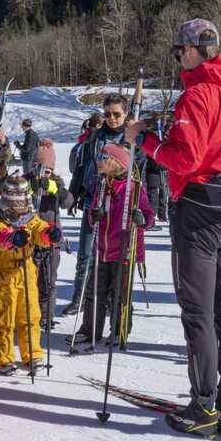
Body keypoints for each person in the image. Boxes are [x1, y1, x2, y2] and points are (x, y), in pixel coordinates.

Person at [125, 18, 221, 436]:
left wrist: (145, 141)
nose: (178, 58)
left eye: (178, 51)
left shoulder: (198, 95)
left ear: (191, 50)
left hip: (200, 207)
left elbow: (184, 159)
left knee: (198, 310)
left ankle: (203, 405)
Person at [70, 143, 154, 352]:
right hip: (102, 250)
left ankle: (119, 330)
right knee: (94, 292)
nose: (98, 161)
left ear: (115, 162)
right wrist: (94, 215)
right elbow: (92, 219)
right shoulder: (102, 186)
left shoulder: (133, 188)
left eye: (102, 158)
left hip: (124, 251)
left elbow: (149, 216)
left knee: (119, 294)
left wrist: (141, 219)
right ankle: (90, 330)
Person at [64, 95, 134, 316]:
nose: (111, 118)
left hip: (119, 205)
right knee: (85, 254)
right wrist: (74, 194)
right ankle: (79, 298)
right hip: (93, 200)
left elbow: (140, 172)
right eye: (107, 114)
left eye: (116, 114)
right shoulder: (95, 137)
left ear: (126, 113)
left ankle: (112, 301)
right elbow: (82, 167)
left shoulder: (133, 137)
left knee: (114, 257)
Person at [0, 176, 60, 374]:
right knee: (4, 317)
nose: (21, 211)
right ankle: (2, 357)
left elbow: (39, 228)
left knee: (30, 314)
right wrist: (11, 238)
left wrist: (48, 233)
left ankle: (32, 353)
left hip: (27, 270)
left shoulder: (29, 217)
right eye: (17, 207)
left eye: (24, 205)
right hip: (5, 273)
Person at [32, 147, 73, 328]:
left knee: (49, 281)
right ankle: (30, 315)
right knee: (30, 281)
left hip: (51, 239)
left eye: (47, 170)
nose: (43, 173)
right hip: (31, 239)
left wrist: (56, 189)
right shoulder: (27, 180)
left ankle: (46, 316)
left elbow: (68, 202)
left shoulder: (56, 182)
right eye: (39, 168)